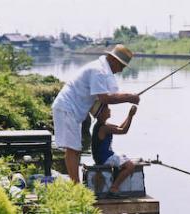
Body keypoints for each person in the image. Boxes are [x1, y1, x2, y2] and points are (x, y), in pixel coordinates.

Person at [52, 44, 140, 183]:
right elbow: (104, 98)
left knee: (74, 148)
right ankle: (76, 186)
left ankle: (75, 184)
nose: (121, 70)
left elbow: (111, 94)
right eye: (121, 66)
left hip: (72, 111)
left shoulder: (102, 71)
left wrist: (128, 98)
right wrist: (129, 97)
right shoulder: (98, 71)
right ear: (113, 60)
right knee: (73, 148)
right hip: (67, 108)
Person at [92, 104, 137, 198]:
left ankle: (115, 183)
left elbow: (120, 127)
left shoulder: (104, 126)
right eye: (107, 109)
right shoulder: (103, 128)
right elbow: (124, 130)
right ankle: (114, 188)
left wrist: (129, 116)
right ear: (101, 114)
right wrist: (131, 115)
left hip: (106, 156)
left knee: (124, 158)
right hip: (105, 158)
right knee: (130, 166)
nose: (109, 110)